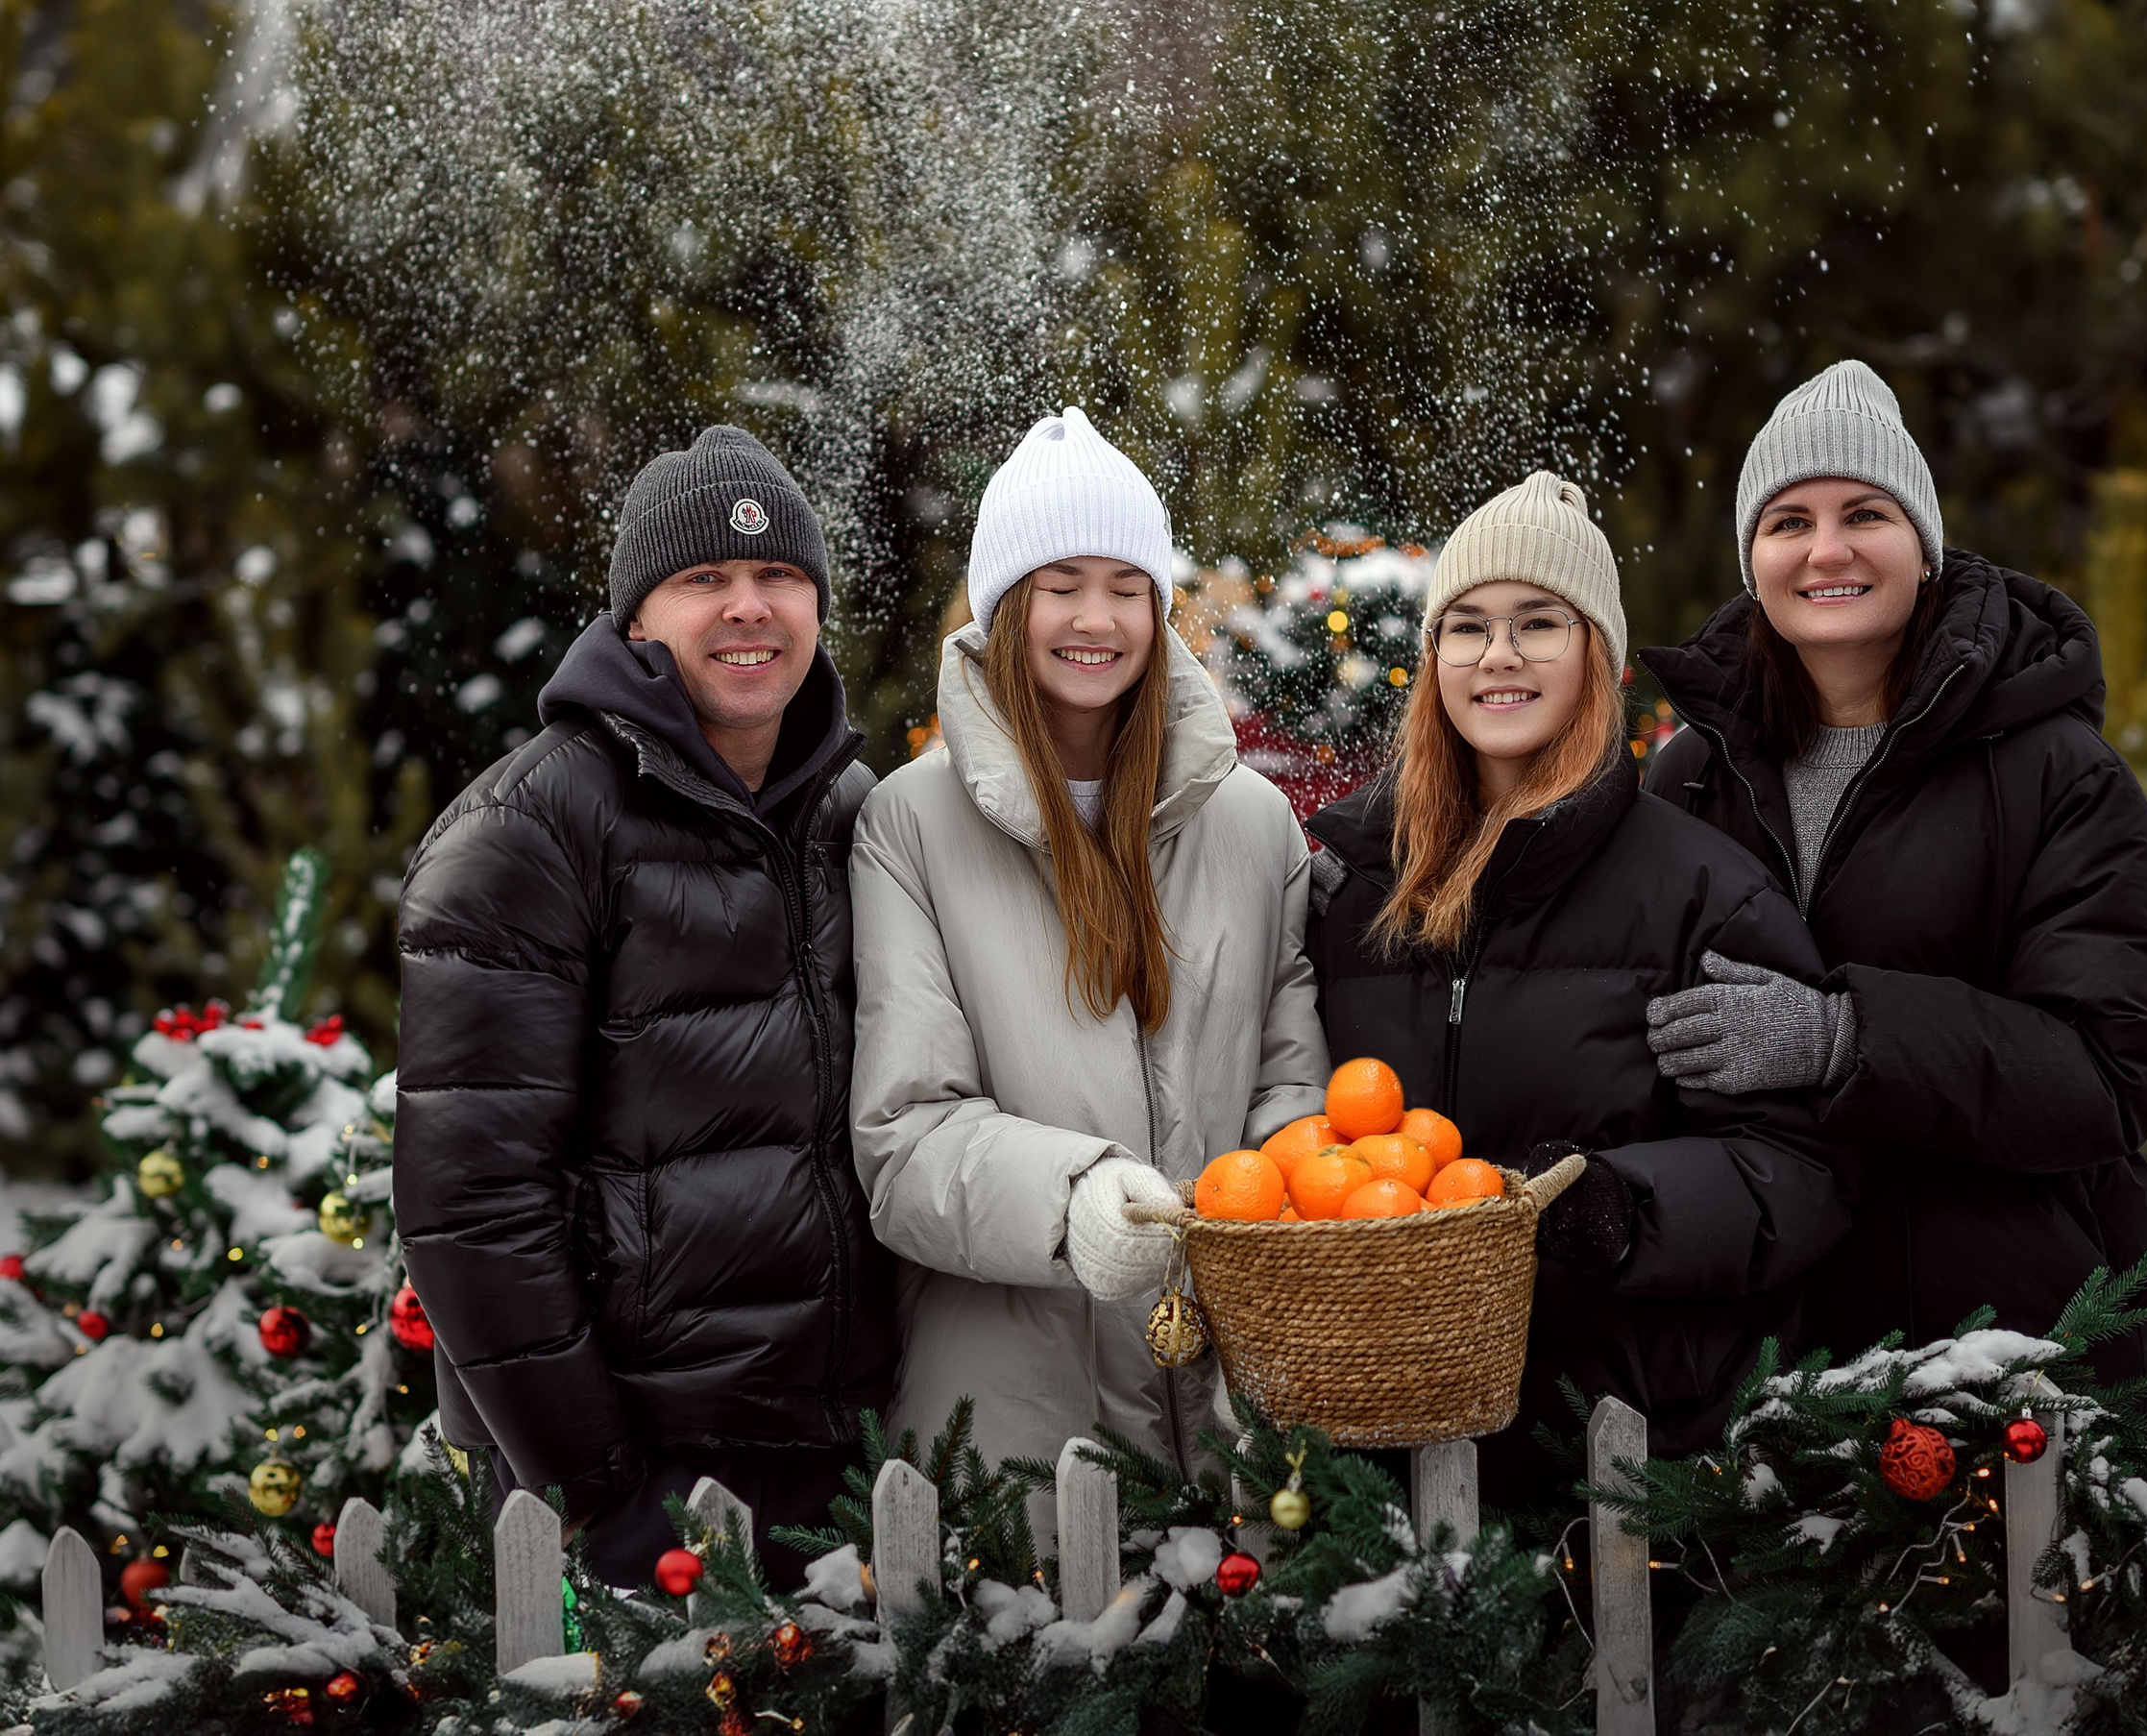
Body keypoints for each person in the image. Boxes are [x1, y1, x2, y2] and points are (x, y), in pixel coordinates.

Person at [394, 426, 894, 1590]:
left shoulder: (853, 813)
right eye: (702, 579)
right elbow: (471, 1200)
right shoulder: (528, 831)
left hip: (837, 1452)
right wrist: (600, 1494)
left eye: (778, 576)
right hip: (640, 1466)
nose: (747, 608)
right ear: (635, 620)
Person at [1303, 471, 1856, 1479]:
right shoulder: (1352, 883)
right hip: (1388, 1445)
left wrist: (1622, 1200)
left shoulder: (1701, 891)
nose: (1498, 655)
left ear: (1592, 653)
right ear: (1431, 660)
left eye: (1538, 623)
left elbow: (1803, 1167)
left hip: (1621, 1442)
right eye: (1466, 626)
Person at [1639, 360, 2147, 1382]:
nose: (1826, 548)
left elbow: (2106, 1078)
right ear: (1752, 559)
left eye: (1864, 513)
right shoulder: (1689, 776)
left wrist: (1844, 1035)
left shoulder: (2054, 773)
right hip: (1753, 1361)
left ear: (1923, 548)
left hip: (2006, 1347)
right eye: (1787, 520)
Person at [850, 407, 1327, 1479]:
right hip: (1013, 1425)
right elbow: (903, 1138)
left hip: (1231, 1410)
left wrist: (1266, 1220)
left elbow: (1292, 1086)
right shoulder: (910, 826)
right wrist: (1071, 1200)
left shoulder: (1250, 824)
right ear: (1005, 604)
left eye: (1127, 587)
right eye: (1059, 585)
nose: (1095, 618)